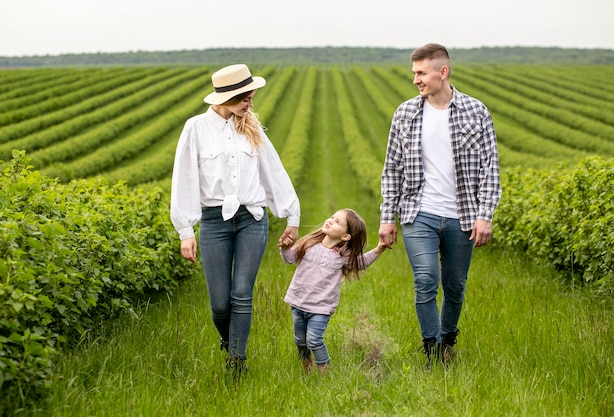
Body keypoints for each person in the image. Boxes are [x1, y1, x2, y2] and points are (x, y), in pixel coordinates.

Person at [170, 64, 300, 377]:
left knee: (242, 292)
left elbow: (274, 172)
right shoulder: (196, 128)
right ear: (228, 97)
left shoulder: (252, 128)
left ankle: (237, 362)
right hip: (214, 222)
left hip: (251, 219)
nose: (251, 103)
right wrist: (185, 230)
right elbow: (184, 178)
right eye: (246, 98)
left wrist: (291, 216)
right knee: (219, 302)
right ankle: (229, 340)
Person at [378, 43, 501, 370]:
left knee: (455, 284)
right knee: (426, 279)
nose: (415, 79)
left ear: (442, 72)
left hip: (462, 216)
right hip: (419, 213)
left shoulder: (476, 111)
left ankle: (448, 339)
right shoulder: (405, 113)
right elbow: (392, 167)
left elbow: (491, 166)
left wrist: (484, 215)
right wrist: (387, 217)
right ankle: (430, 347)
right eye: (414, 72)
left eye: (421, 72)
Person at [280, 209, 386, 374]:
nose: (330, 220)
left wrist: (379, 249)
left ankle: (324, 368)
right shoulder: (309, 244)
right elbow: (290, 258)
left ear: (345, 236)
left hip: (321, 307)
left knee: (314, 339)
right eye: (332, 217)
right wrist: (285, 248)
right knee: (300, 340)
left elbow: (361, 263)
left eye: (337, 222)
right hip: (299, 302)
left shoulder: (343, 255)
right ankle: (305, 364)